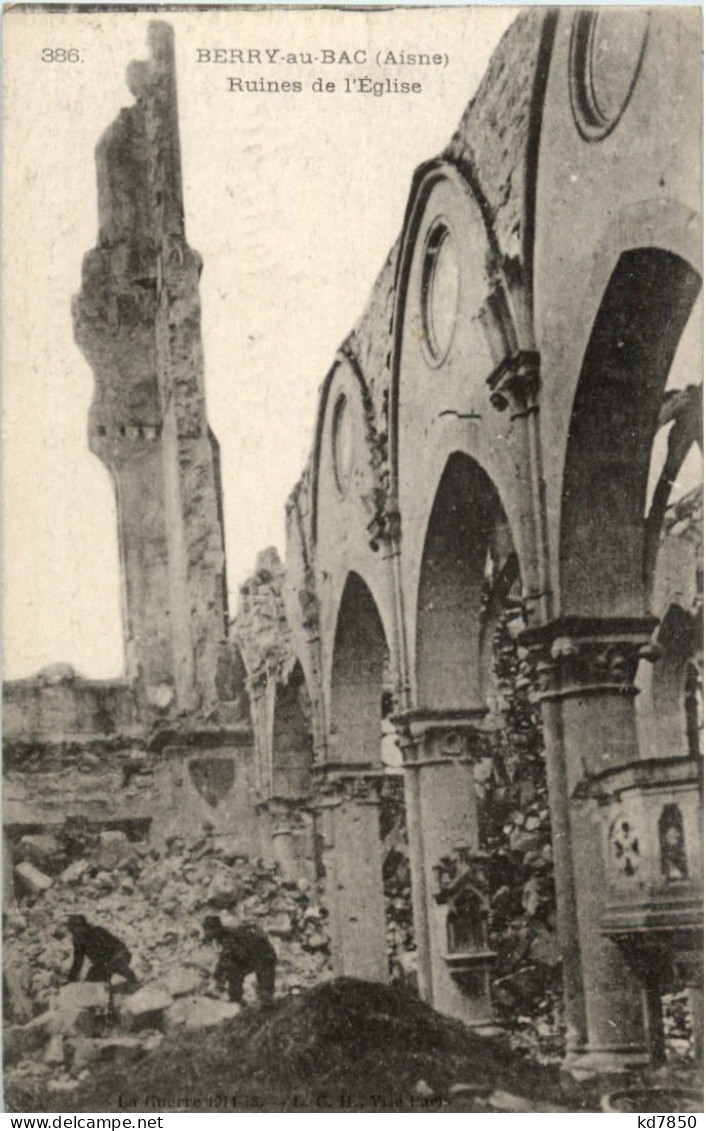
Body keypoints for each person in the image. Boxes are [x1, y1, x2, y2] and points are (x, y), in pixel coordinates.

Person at [202, 915, 276, 1004]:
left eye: (208, 930)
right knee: (234, 972)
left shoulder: (231, 936)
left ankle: (266, 1004)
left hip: (264, 955)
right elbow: (226, 958)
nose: (206, 933)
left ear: (216, 929)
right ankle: (236, 999)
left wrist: (217, 979)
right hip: (251, 955)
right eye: (205, 930)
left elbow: (226, 959)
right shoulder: (224, 936)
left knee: (264, 990)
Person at [65, 914, 138, 986]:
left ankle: (134, 982)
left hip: (118, 954)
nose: (77, 931)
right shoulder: (78, 941)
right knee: (91, 981)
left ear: (84, 925)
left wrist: (104, 966)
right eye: (74, 930)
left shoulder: (97, 931)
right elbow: (78, 961)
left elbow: (111, 948)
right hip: (103, 962)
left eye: (78, 928)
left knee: (117, 966)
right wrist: (71, 978)